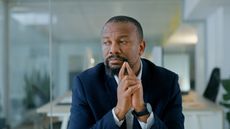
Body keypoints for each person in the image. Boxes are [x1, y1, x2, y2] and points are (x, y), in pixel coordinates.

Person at [68, 16, 184, 129]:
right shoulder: (85, 83)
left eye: (122, 41)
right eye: (107, 42)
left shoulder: (168, 82)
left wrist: (142, 112)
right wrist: (118, 112)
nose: (113, 49)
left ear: (141, 47)